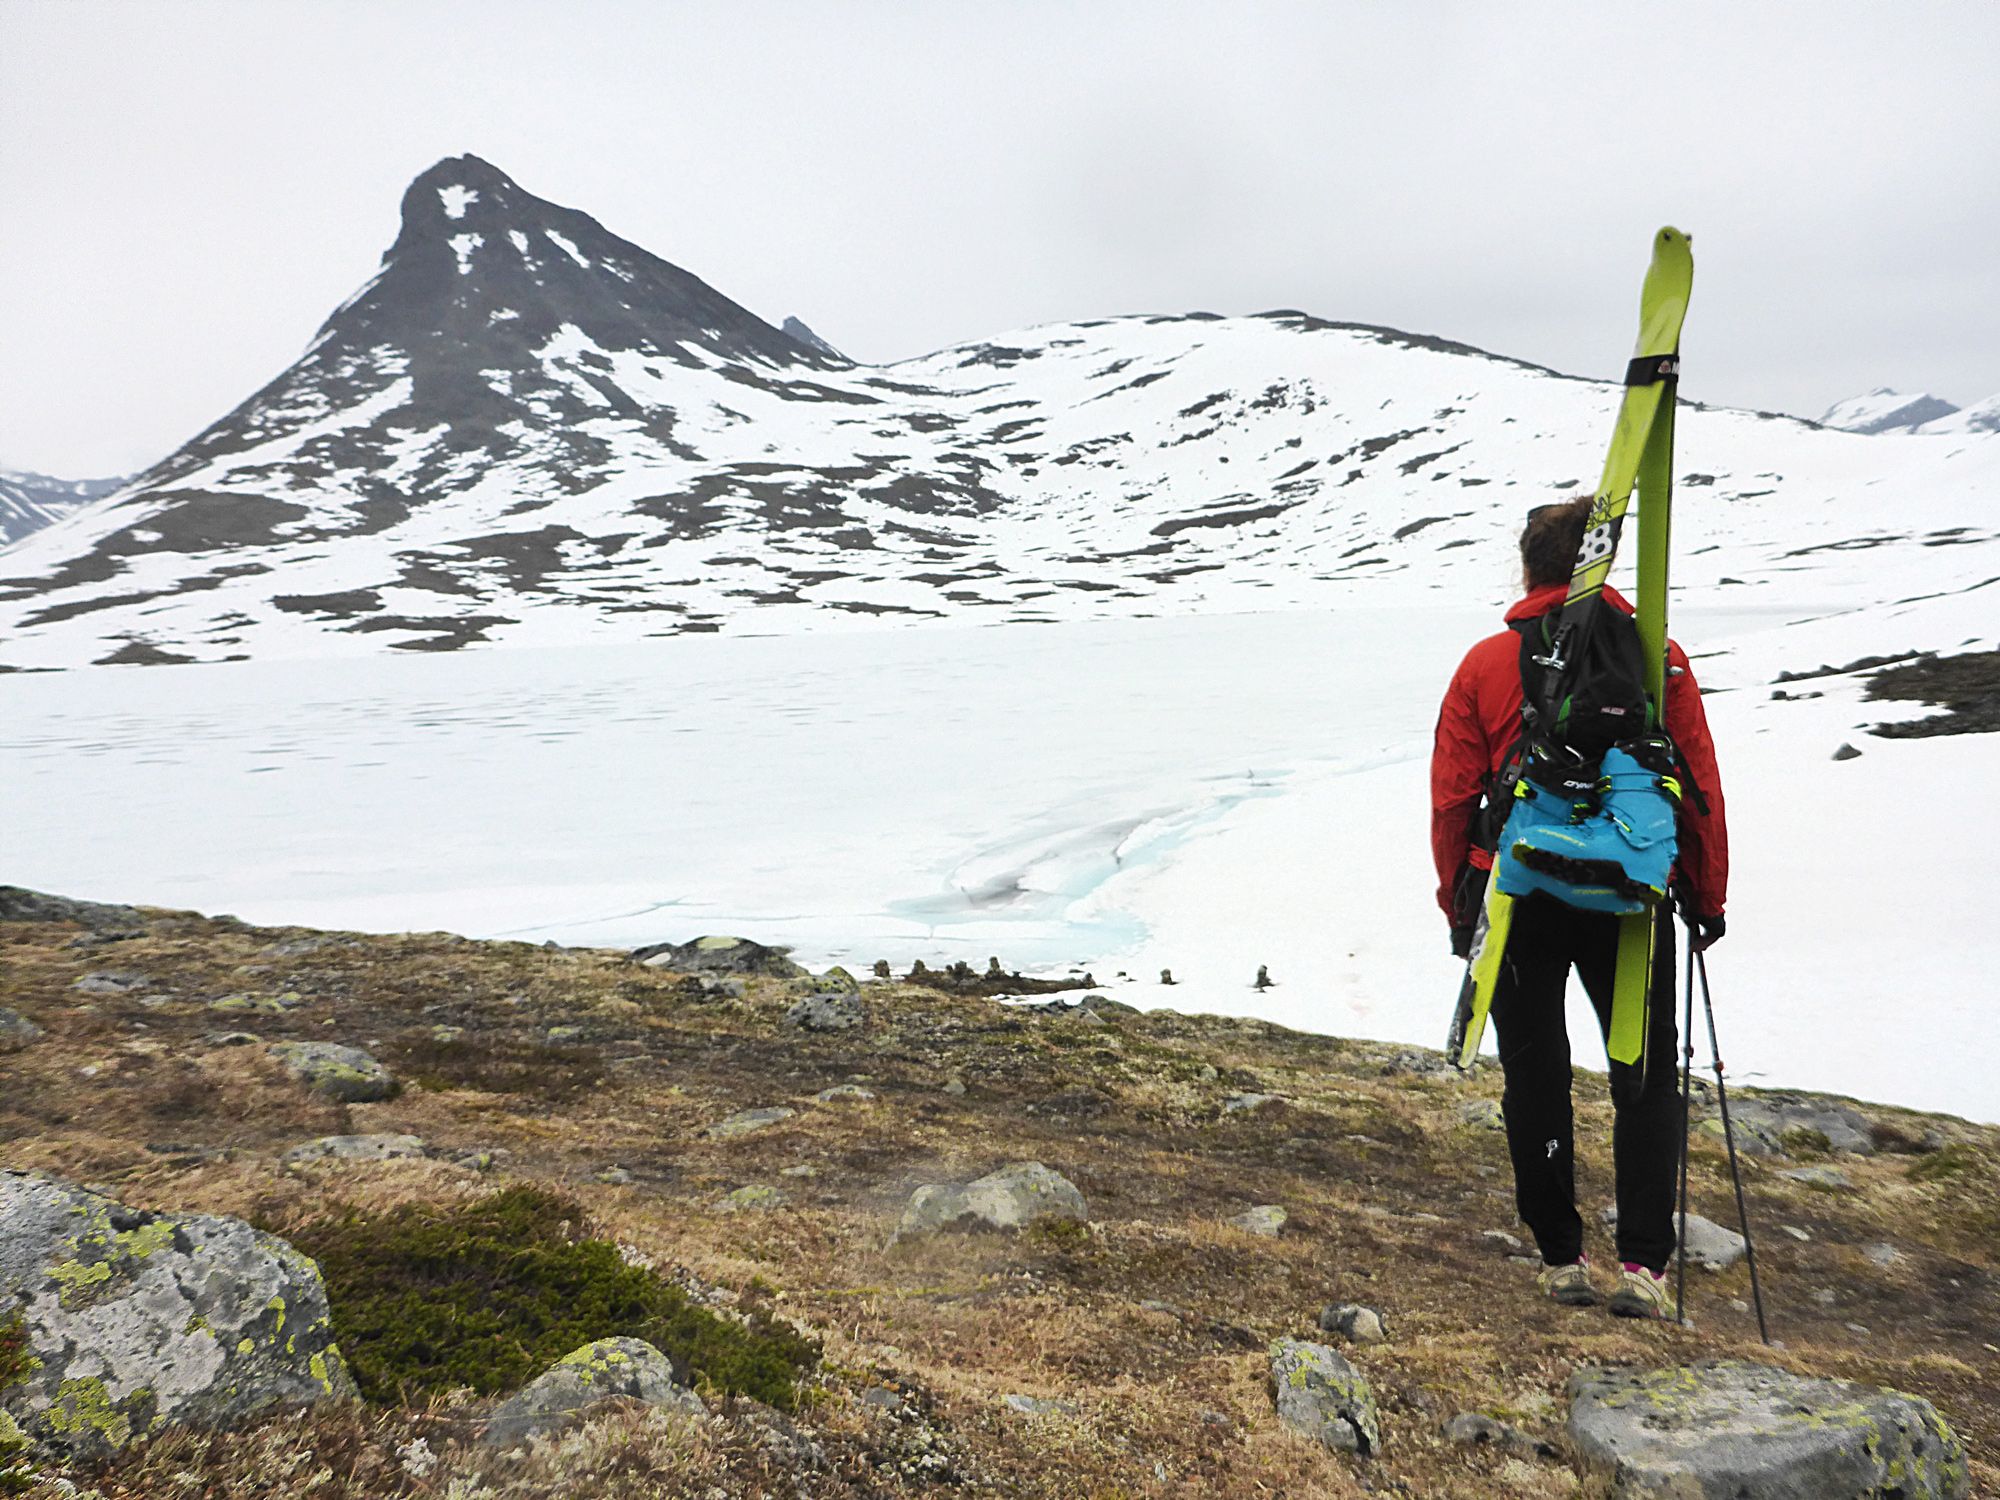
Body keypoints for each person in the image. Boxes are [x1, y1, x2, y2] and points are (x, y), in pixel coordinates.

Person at [1429, 495, 1728, 1319]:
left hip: (1520, 889)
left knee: (1534, 1069)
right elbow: (1695, 783)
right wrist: (1705, 894)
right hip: (1629, 894)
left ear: (1528, 567)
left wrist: (1459, 903)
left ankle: (1563, 1258)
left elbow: (1454, 796)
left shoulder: (1486, 664)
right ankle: (1645, 1268)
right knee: (1645, 1072)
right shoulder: (1657, 659)